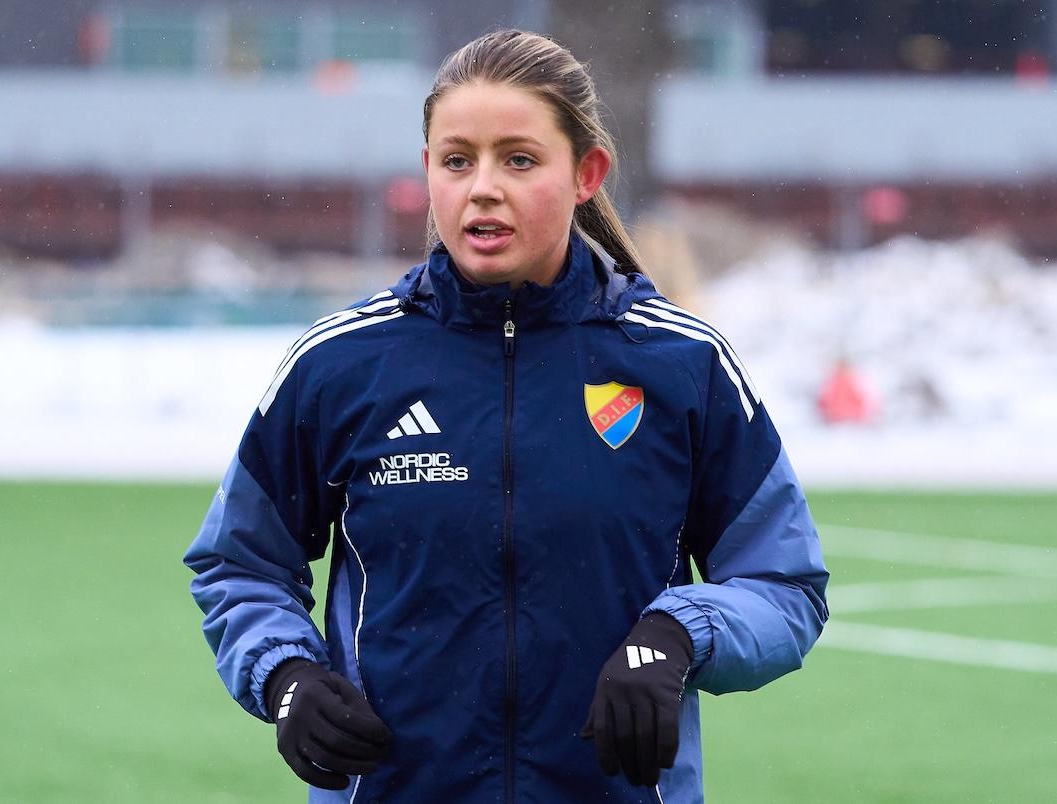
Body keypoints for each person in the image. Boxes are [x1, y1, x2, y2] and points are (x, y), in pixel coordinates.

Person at [184, 28, 829, 804]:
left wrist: (677, 636)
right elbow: (240, 563)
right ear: (428, 170)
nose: (482, 188)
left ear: (586, 173)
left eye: (519, 160)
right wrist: (285, 674)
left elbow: (783, 583)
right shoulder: (340, 365)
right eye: (457, 161)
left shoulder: (683, 366)